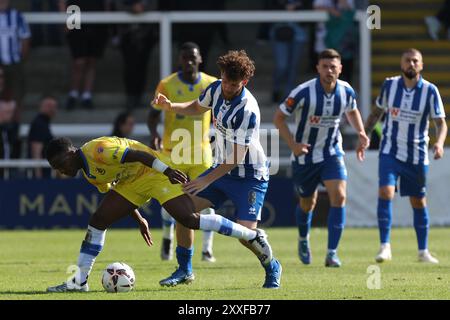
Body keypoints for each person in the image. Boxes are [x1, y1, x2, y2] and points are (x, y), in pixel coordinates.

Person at [44, 136, 273, 292]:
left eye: (60, 163)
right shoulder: (91, 174)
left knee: (188, 219)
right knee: (98, 220)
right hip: (131, 183)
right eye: (56, 168)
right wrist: (140, 218)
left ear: (71, 152)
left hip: (155, 172)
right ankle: (79, 281)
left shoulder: (98, 150)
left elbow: (138, 155)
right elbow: (114, 191)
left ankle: (251, 235)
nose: (61, 170)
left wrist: (168, 171)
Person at [153, 50, 282, 288]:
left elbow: (236, 157)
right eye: (225, 81)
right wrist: (171, 106)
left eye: (234, 84)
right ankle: (184, 270)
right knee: (183, 210)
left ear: (244, 82)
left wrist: (205, 181)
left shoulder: (247, 110)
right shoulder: (215, 88)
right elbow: (196, 107)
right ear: (221, 75)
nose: (228, 87)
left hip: (249, 176)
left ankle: (272, 266)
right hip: (221, 170)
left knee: (245, 236)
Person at [273, 48, 369, 267]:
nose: (329, 70)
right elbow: (279, 118)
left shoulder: (346, 91)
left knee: (339, 196)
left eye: (333, 67)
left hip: (332, 152)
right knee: (308, 203)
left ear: (340, 69)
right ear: (318, 68)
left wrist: (361, 132)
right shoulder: (302, 92)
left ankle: (332, 253)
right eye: (325, 66)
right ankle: (303, 238)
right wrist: (293, 146)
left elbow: (352, 111)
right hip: (305, 156)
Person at [364, 48, 447, 264]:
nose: (411, 64)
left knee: (418, 201)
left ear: (421, 65)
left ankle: (423, 251)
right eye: (407, 60)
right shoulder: (389, 85)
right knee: (385, 192)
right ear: (401, 64)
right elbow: (376, 112)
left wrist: (438, 143)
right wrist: (364, 136)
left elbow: (440, 123)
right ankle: (385, 247)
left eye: (415, 61)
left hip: (417, 155)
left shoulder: (430, 90)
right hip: (390, 150)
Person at [148, 42, 217, 263]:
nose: (188, 61)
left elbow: (219, 112)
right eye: (184, 57)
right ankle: (168, 237)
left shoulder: (211, 83)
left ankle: (207, 250)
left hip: (201, 153)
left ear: (200, 59)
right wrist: (153, 133)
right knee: (173, 202)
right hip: (173, 152)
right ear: (180, 60)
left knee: (205, 201)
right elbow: (153, 114)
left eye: (192, 57)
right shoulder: (167, 84)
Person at [59, 0, 111, 110]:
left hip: (97, 19)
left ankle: (87, 95)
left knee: (92, 61)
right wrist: (66, 20)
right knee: (79, 61)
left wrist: (107, 18)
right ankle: (73, 94)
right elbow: (62, 1)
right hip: (75, 14)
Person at [267, 0, 308, 103]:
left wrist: (296, 8)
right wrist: (285, 6)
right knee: (282, 65)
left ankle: (288, 96)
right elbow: (269, 6)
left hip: (299, 32)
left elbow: (309, 6)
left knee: (293, 66)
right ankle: (276, 89)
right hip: (279, 30)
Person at [0, 0, 31, 122]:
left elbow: (25, 39)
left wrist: (20, 59)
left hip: (14, 63)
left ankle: (14, 128)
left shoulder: (17, 16)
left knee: (16, 96)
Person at [27, 95, 58, 178]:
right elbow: (36, 151)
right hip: (41, 173)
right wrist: (38, 176)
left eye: (54, 106)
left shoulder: (44, 123)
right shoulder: (39, 124)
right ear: (40, 106)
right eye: (48, 106)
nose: (51, 109)